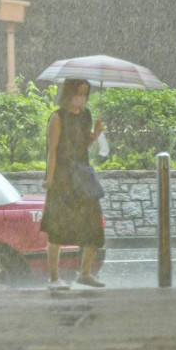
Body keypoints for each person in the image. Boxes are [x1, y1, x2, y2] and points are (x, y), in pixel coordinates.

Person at [41, 79, 106, 290]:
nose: (82, 98)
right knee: (58, 227)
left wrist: (95, 135)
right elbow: (52, 150)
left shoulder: (86, 115)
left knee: (94, 225)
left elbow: (83, 145)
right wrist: (49, 179)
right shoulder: (57, 117)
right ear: (69, 93)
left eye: (86, 94)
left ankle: (84, 273)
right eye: (79, 93)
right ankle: (54, 278)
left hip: (83, 176)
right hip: (62, 178)